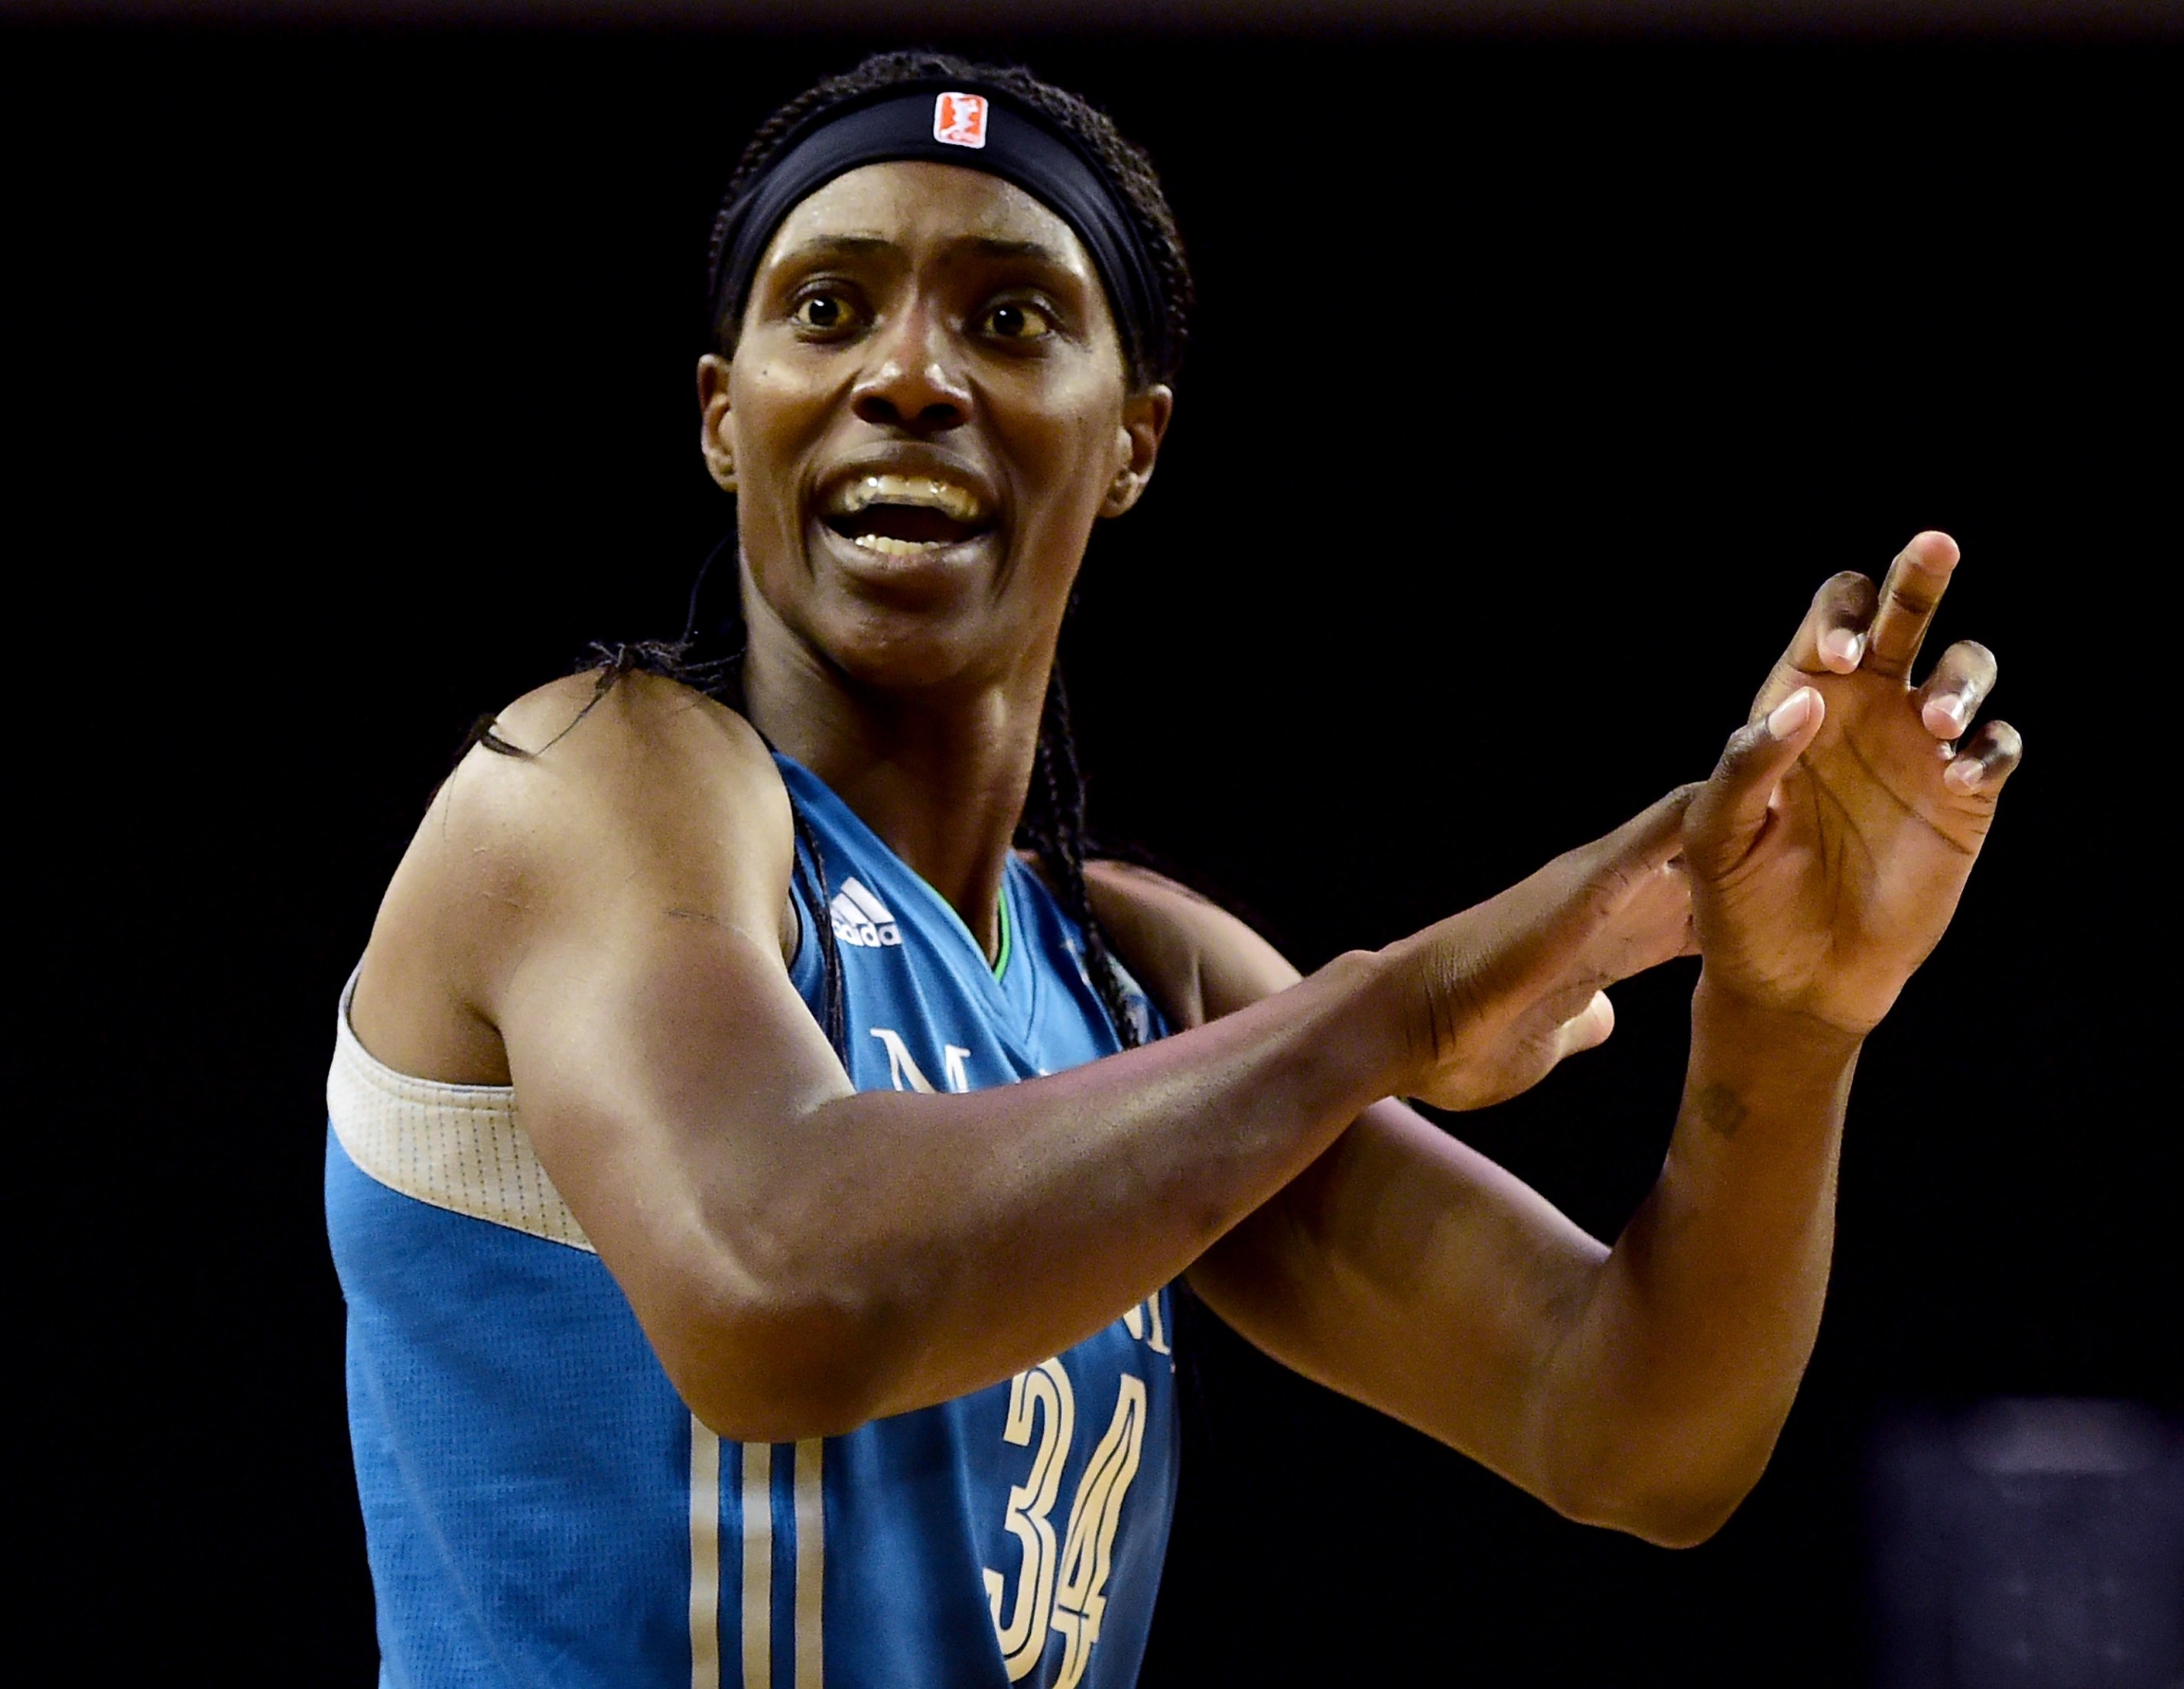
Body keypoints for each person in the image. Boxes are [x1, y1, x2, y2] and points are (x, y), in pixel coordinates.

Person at [325, 50, 2022, 1689]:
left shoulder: (1136, 986)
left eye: (1008, 318)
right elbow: (782, 1297)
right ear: (723, 415)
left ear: (1132, 440)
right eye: (828, 308)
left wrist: (1786, 1027)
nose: (907, 375)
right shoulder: (581, 786)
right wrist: (1397, 1005)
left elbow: (1637, 1428)